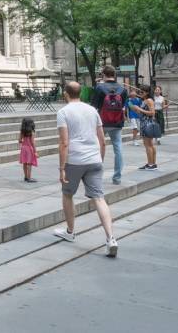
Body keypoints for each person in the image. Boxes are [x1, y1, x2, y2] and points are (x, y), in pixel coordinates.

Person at [53, 82, 119, 257]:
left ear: (66, 93)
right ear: (80, 93)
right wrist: (100, 159)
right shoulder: (92, 111)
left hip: (74, 160)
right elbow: (102, 139)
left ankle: (70, 231)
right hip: (94, 158)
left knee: (67, 194)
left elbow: (64, 142)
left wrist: (61, 168)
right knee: (99, 198)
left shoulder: (63, 112)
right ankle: (111, 238)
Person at [89, 65, 128, 185]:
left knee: (98, 147)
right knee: (118, 148)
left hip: (102, 122)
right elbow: (123, 106)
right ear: (114, 75)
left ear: (103, 75)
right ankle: (117, 177)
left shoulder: (100, 88)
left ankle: (96, 175)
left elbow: (93, 107)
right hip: (116, 122)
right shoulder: (122, 89)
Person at [137, 85, 160, 171]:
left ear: (146, 92)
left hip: (147, 123)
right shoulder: (145, 100)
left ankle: (151, 164)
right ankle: (151, 163)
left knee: (148, 145)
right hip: (145, 122)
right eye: (139, 92)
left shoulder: (149, 100)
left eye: (142, 92)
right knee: (149, 144)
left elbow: (152, 113)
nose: (140, 93)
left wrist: (140, 109)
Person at [20, 117, 38, 183]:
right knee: (29, 163)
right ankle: (29, 177)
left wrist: (22, 143)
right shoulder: (31, 132)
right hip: (29, 148)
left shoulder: (22, 132)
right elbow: (33, 143)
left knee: (24, 163)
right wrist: (35, 151)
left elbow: (19, 140)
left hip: (23, 148)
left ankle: (26, 177)